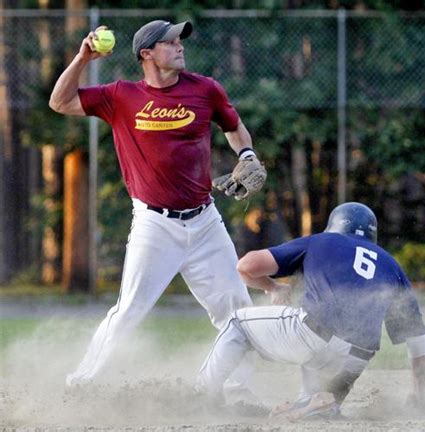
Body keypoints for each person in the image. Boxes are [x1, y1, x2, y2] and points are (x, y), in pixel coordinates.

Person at [49, 20, 266, 387]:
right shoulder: (121, 96)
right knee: (129, 310)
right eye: (170, 42)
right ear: (146, 53)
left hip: (205, 222)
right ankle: (82, 383)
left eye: (180, 41)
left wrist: (246, 152)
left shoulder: (205, 90)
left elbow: (233, 126)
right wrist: (84, 57)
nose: (180, 47)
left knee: (236, 308)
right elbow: (59, 102)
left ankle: (232, 388)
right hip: (155, 224)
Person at [196, 202, 425, 420]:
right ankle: (317, 401)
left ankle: (202, 393)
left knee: (237, 322)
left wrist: (274, 287)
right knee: (318, 368)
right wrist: (418, 395)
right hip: (356, 360)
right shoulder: (391, 265)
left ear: (334, 226)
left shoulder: (322, 241)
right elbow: (418, 340)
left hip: (315, 335)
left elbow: (246, 266)